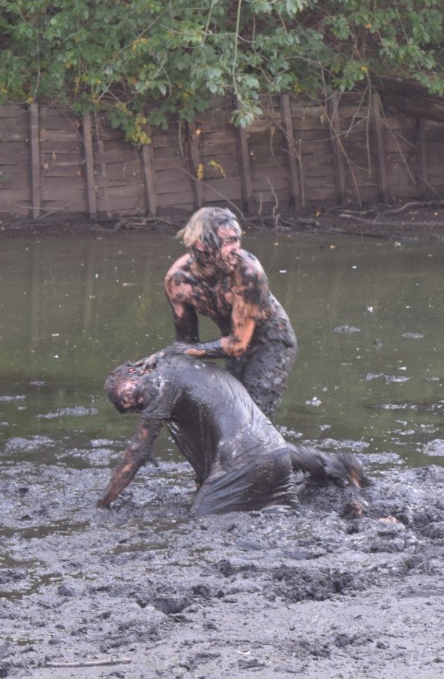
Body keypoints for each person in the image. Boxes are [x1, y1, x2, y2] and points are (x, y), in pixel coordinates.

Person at [98, 349, 366, 516]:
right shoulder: (182, 364)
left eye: (132, 395)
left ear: (137, 370)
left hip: (244, 461)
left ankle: (345, 508)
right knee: (268, 452)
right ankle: (336, 465)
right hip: (276, 452)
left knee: (199, 522)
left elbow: (137, 452)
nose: (136, 404)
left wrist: (103, 503)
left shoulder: (161, 382)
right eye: (130, 408)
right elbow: (206, 435)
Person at [163, 206, 297, 418]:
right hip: (230, 342)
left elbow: (237, 344)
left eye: (238, 240)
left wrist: (187, 351)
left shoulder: (248, 271)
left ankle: (302, 453)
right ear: (201, 243)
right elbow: (186, 343)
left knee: (255, 419)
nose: (237, 248)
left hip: (271, 341)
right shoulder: (178, 280)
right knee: (229, 413)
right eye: (229, 242)